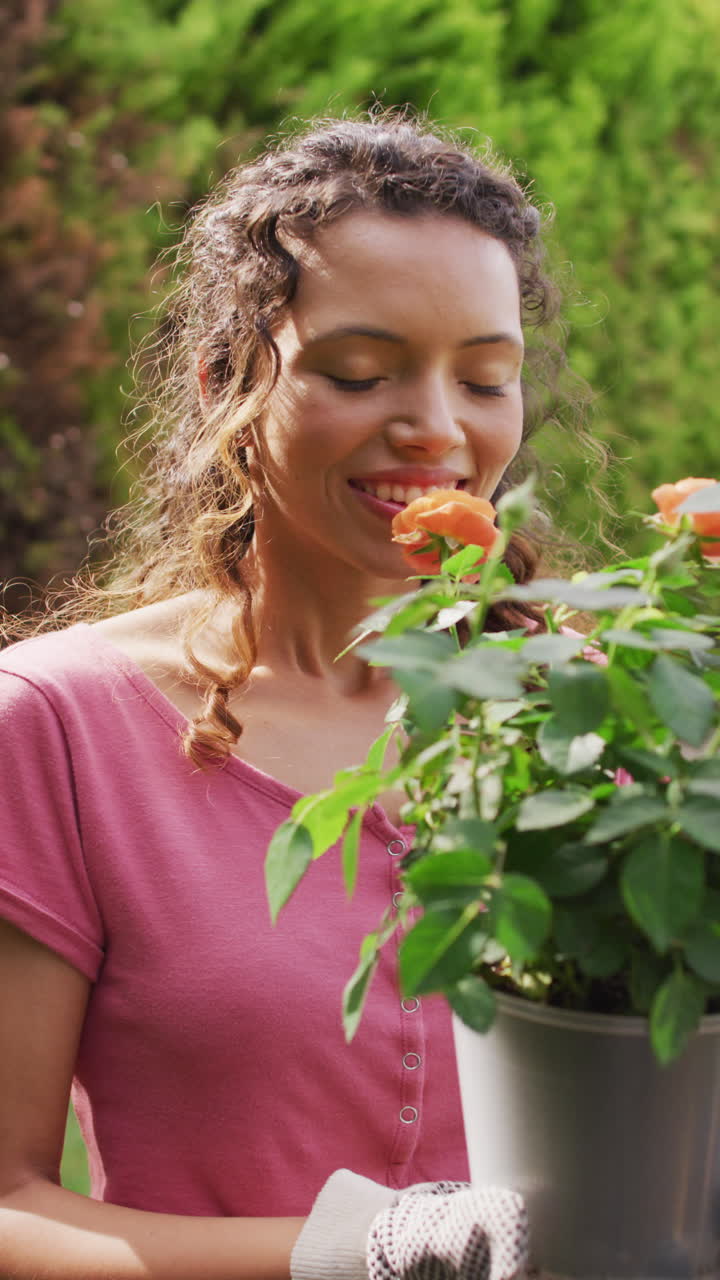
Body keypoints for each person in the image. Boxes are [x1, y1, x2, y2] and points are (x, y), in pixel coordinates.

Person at [0, 112, 586, 1278]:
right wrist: (365, 1247)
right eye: (362, 371)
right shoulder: (59, 726)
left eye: (484, 378)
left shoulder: (595, 718)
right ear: (231, 379)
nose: (436, 426)